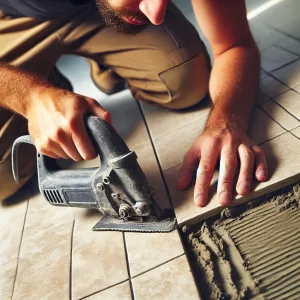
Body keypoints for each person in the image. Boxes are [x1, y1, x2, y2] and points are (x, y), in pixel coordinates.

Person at [0, 0, 268, 206]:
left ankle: (106, 63)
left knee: (185, 81)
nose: (156, 14)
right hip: (12, 17)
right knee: (3, 180)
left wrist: (226, 121)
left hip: (90, 13)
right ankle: (42, 74)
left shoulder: (151, 8)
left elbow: (234, 45)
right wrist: (29, 96)